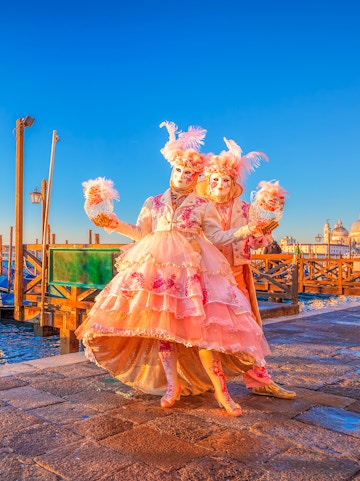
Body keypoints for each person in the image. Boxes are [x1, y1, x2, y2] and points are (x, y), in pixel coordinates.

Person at [75, 121, 273, 416]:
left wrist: (246, 230)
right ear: (172, 171)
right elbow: (143, 233)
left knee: (204, 333)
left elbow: (217, 237)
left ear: (196, 177)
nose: (182, 176)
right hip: (160, 272)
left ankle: (222, 392)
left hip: (193, 271)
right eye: (179, 170)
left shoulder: (203, 206)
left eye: (189, 173)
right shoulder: (153, 202)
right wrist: (113, 224)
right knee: (163, 332)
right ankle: (172, 385)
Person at [196, 137, 296, 399]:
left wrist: (262, 232)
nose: (220, 185)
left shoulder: (245, 207)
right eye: (215, 179)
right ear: (208, 181)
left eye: (225, 180)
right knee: (205, 327)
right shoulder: (199, 207)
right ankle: (202, 380)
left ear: (233, 183)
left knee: (247, 325)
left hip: (237, 271)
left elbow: (255, 239)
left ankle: (260, 380)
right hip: (205, 274)